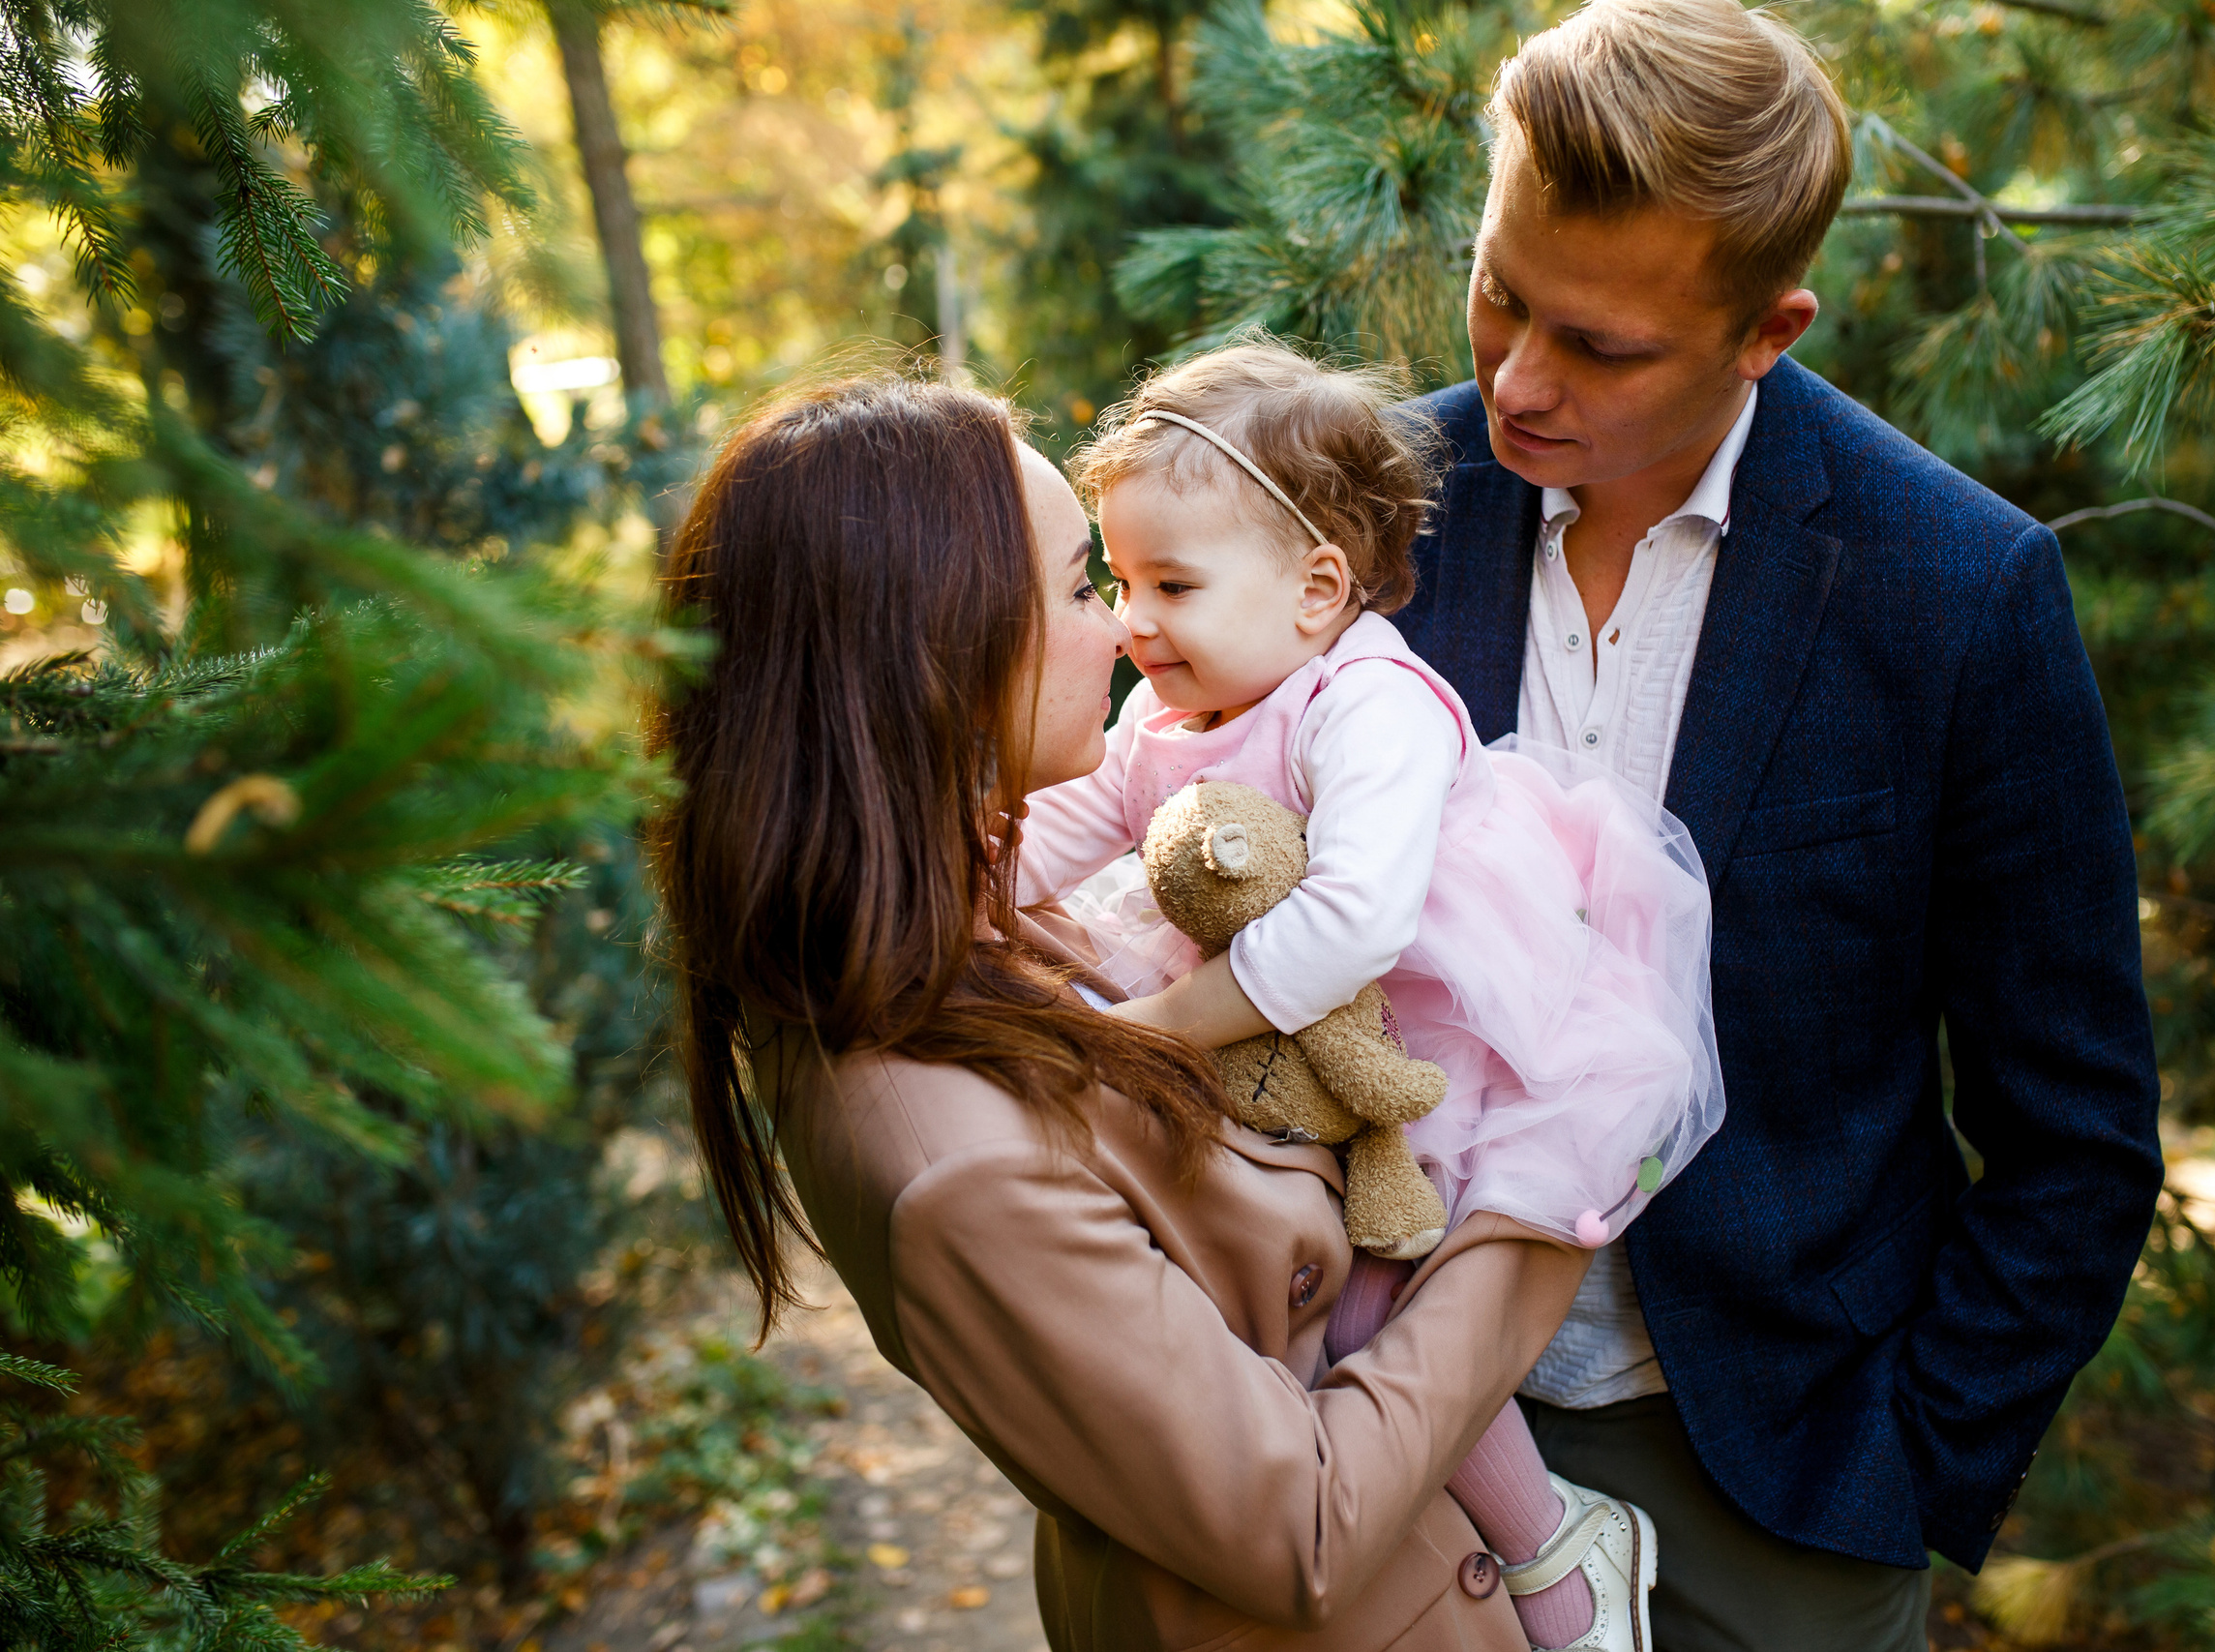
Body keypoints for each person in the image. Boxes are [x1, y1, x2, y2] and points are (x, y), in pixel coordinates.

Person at [1387, 1, 2167, 1647]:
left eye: (1600, 347)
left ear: (1769, 331)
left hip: (1775, 1486)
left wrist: (1909, 1468)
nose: (1518, 378)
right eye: (1499, 291)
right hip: (1384, 1442)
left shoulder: (1961, 591)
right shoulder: (1364, 513)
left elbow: (2075, 1135)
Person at [646, 372, 1600, 1652]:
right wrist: (1536, 1224)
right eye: (1087, 587)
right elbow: (1302, 1526)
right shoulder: (953, 1166)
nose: (1124, 634)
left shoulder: (939, 936)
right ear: (934, 648)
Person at [1015, 340, 1726, 1651]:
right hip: (1294, 1055)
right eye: (1120, 582)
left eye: (1171, 583)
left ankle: (1553, 1551)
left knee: (1378, 1304)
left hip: (1449, 1037)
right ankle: (1416, 1552)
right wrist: (927, 889)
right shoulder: (1160, 726)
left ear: (1315, 589)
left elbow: (1355, 921)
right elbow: (1048, 844)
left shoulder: (1368, 702)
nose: (1130, 621)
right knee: (1290, 1306)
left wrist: (1151, 1033)